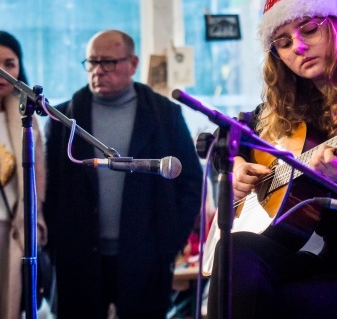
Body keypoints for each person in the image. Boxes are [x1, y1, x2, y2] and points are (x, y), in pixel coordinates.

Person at [207, 0, 337, 319]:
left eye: (309, 30)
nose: (300, 47)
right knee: (234, 250)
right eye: (284, 42)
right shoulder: (293, 105)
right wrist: (234, 165)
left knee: (288, 303)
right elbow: (226, 135)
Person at [43, 29, 203, 318]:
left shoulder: (164, 115)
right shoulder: (64, 118)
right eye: (91, 62)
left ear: (133, 63)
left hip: (147, 256)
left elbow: (190, 182)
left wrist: (171, 241)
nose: (98, 71)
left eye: (108, 62)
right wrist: (55, 245)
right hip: (77, 257)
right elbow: (47, 190)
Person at [0, 31, 47, 319]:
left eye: (10, 63)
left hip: (13, 232)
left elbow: (37, 181)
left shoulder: (26, 120)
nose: (3, 72)